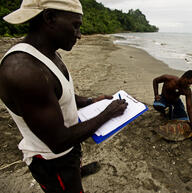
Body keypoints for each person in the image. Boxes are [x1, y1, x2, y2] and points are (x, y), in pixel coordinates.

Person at [0, 0, 128, 192]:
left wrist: (92, 101)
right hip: (53, 161)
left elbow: (61, 95)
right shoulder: (25, 71)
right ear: (50, 18)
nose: (79, 35)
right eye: (75, 26)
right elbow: (59, 142)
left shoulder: (49, 53)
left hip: (69, 150)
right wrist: (107, 114)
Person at [153, 70, 192, 135]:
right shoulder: (169, 79)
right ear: (183, 77)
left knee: (183, 119)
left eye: (190, 84)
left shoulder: (187, 90)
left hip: (175, 102)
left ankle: (171, 110)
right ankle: (164, 113)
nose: (188, 85)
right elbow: (155, 81)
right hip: (164, 98)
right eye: (187, 82)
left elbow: (189, 108)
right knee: (157, 105)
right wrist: (156, 95)